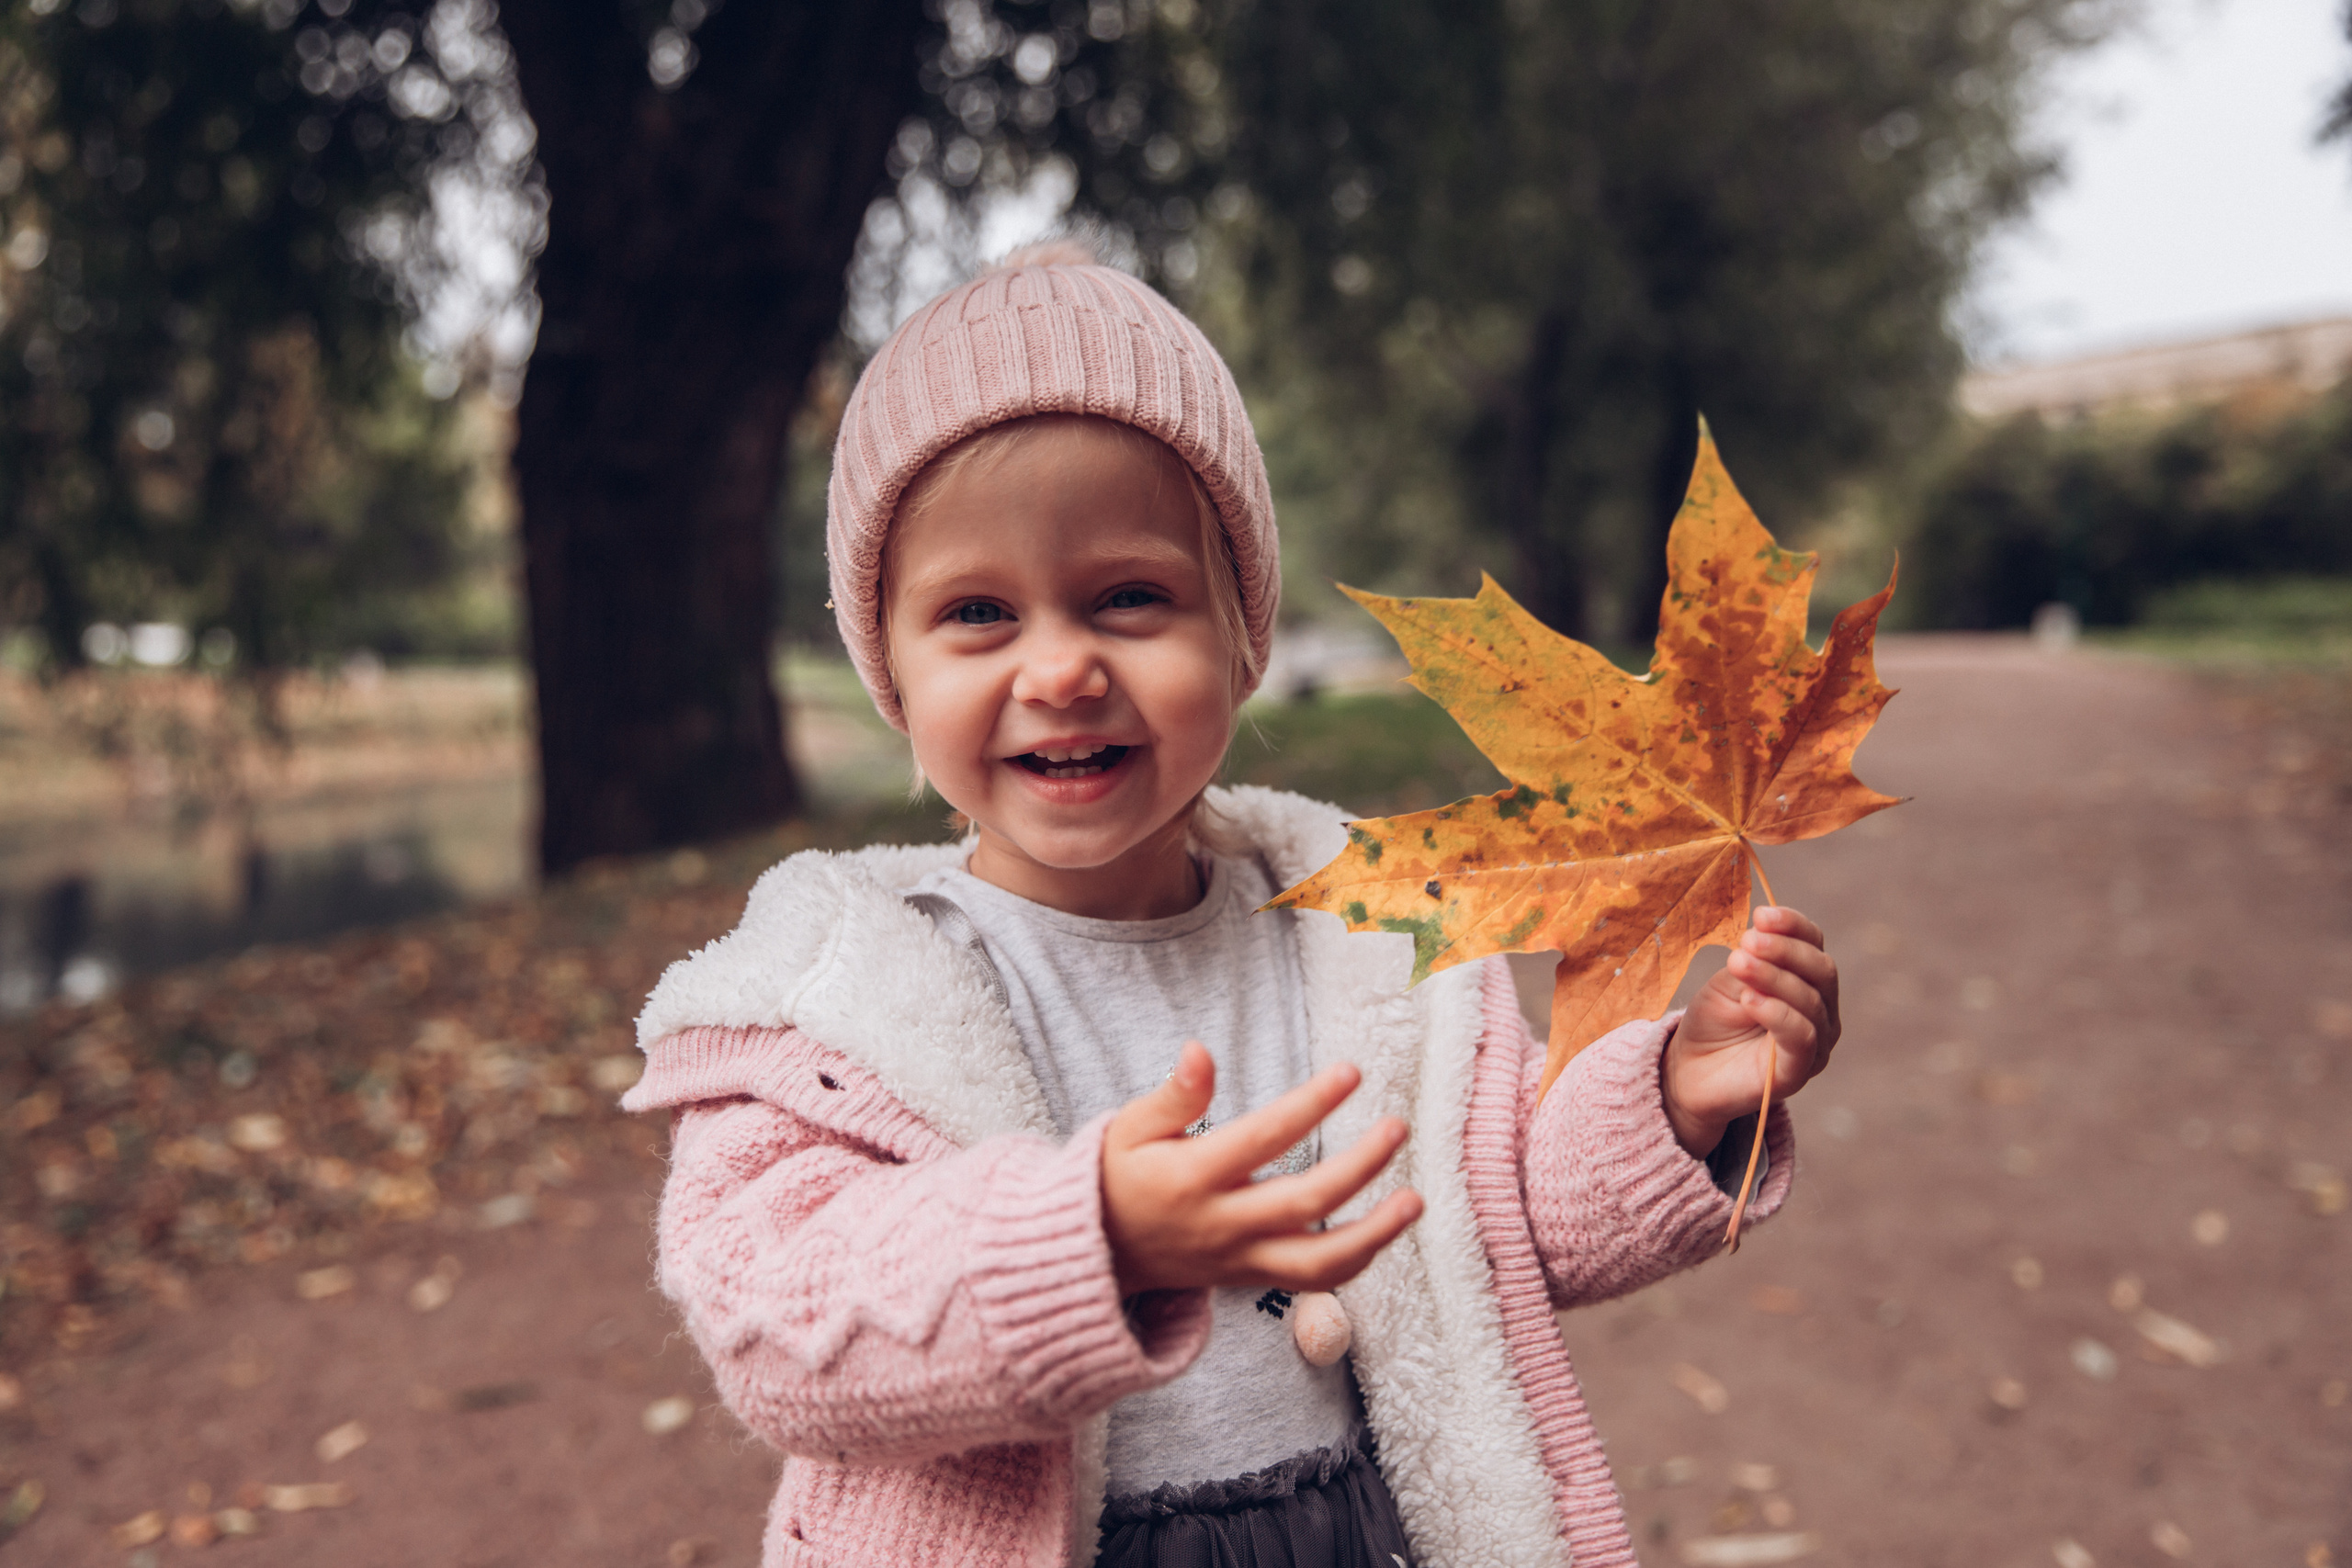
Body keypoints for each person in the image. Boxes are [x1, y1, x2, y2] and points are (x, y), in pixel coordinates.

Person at [620, 241, 1840, 1568]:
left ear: (1244, 638)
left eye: (1130, 598)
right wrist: (1088, 1240)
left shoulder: (1364, 939)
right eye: (977, 614)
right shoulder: (837, 1001)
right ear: (893, 679)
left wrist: (1677, 1098)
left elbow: (1477, 1233)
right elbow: (775, 1324)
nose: (1063, 668)